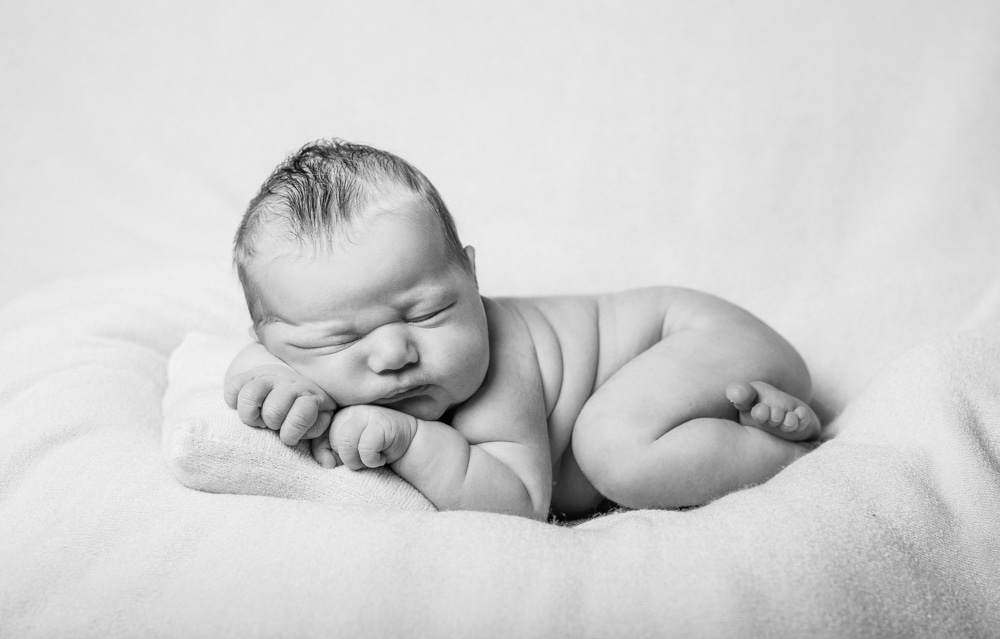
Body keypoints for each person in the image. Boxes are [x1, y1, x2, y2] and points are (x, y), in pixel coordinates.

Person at [224, 139, 821, 521]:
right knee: (621, 436)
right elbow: (253, 363)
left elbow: (521, 500)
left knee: (614, 450)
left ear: (471, 278)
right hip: (694, 370)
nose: (393, 353)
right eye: (337, 341)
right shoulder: (286, 351)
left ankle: (781, 449)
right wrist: (263, 382)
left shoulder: (497, 368)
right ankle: (720, 422)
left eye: (426, 312)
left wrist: (410, 440)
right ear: (274, 339)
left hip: (697, 336)